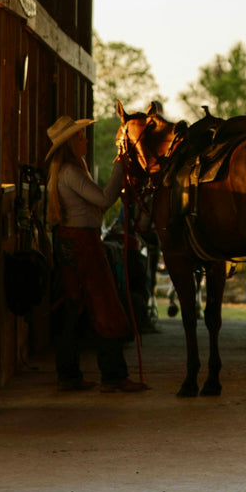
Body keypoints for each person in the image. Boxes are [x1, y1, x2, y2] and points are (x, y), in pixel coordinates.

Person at [44, 114, 149, 393]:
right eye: (79, 137)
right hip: (84, 244)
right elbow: (104, 199)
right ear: (69, 143)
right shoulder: (72, 172)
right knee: (106, 305)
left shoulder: (69, 171)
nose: (85, 139)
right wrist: (120, 168)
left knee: (73, 307)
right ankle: (113, 375)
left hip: (73, 241)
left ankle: (69, 374)